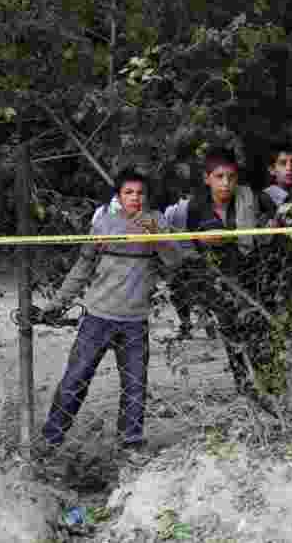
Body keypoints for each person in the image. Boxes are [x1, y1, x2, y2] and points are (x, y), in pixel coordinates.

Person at [40, 168, 182, 459]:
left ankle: (129, 449)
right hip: (98, 318)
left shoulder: (157, 222)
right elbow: (83, 267)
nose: (135, 198)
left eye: (140, 193)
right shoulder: (103, 222)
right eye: (129, 192)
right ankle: (50, 441)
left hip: (135, 322)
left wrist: (157, 237)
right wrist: (58, 303)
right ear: (119, 196)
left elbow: (174, 262)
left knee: (135, 387)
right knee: (75, 379)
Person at [164, 146, 272, 392]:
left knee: (258, 330)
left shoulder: (252, 198)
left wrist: (268, 227)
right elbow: (186, 247)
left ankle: (266, 382)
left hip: (252, 274)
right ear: (207, 178)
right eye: (219, 177)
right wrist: (200, 243)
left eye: (231, 177)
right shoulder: (194, 207)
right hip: (216, 279)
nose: (226, 183)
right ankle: (244, 384)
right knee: (231, 332)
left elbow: (272, 223)